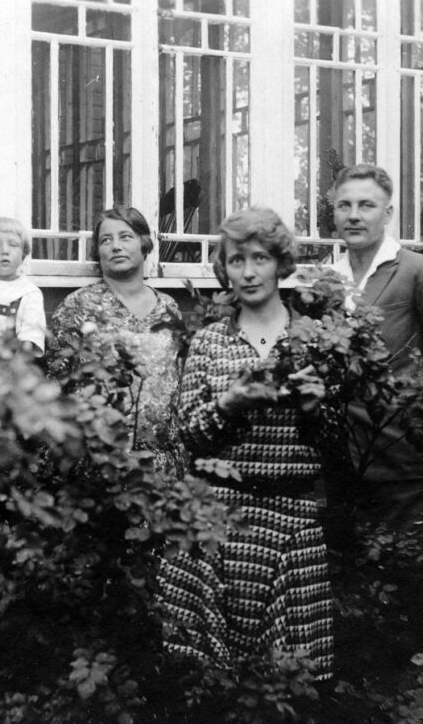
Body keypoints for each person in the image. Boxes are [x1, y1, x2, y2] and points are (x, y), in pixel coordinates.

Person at [156, 207, 333, 678]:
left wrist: (318, 409)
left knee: (288, 683)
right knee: (208, 681)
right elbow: (187, 436)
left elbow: (339, 448)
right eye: (237, 260)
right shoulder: (212, 342)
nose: (249, 272)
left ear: (281, 263)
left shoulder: (313, 341)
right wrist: (228, 405)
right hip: (219, 521)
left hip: (291, 522)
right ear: (224, 268)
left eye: (260, 258)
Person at [330, 163, 423, 531]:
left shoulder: (420, 273)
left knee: (400, 576)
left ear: (388, 213)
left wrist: (420, 439)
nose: (354, 216)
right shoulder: (327, 281)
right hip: (342, 465)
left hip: (403, 466)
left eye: (367, 205)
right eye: (344, 206)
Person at [47, 206, 185, 463]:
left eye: (126, 237)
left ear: (144, 244)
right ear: (98, 252)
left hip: (162, 461)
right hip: (100, 460)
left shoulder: (169, 308)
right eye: (106, 240)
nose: (116, 246)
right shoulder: (78, 306)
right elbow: (56, 386)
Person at [0, 216, 46, 354]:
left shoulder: (29, 292)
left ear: (23, 253)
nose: (5, 250)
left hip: (12, 360)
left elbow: (32, 337)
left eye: (13, 245)